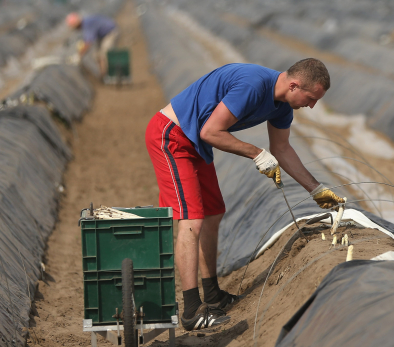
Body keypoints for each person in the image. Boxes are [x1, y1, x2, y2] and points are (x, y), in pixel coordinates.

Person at [145, 59, 346, 331]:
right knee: (192, 219)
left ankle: (212, 294)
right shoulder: (253, 85)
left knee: (214, 213)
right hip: (173, 136)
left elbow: (283, 148)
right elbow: (210, 131)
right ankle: (192, 310)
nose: (311, 106)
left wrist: (317, 189)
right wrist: (256, 153)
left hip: (195, 143)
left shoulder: (282, 107)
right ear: (294, 85)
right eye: (310, 99)